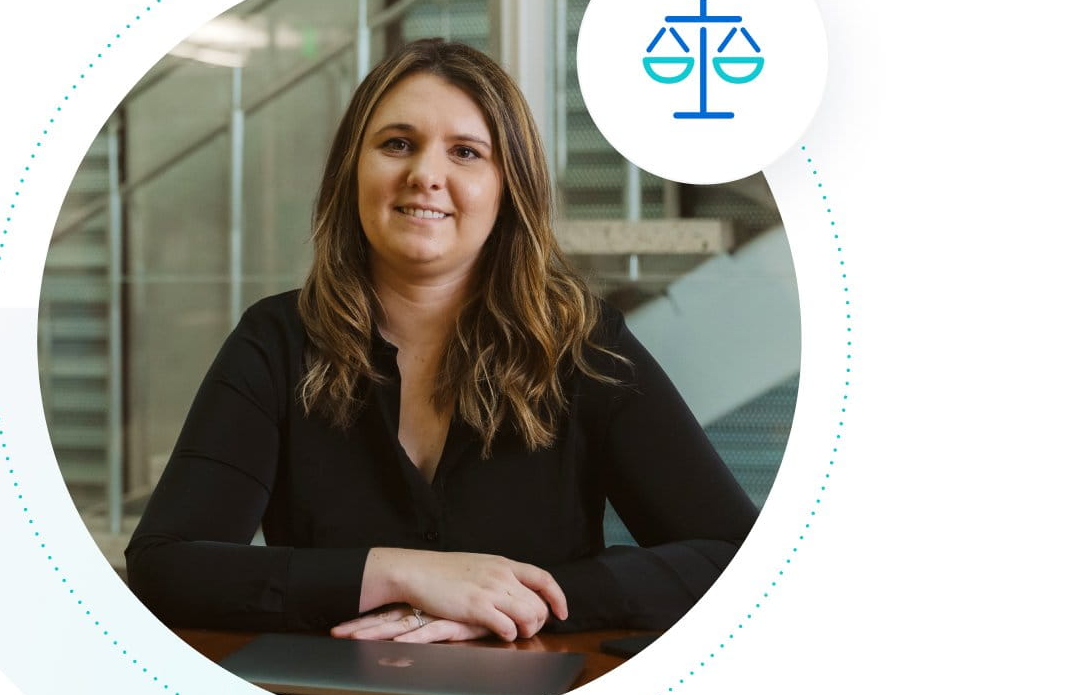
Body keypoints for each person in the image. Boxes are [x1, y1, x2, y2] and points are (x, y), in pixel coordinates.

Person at [125, 38, 757, 644]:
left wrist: (516, 603)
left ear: (509, 190)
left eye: (466, 152)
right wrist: (396, 572)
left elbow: (735, 554)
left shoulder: (581, 345)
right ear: (353, 172)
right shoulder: (277, 340)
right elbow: (165, 566)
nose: (425, 174)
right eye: (398, 144)